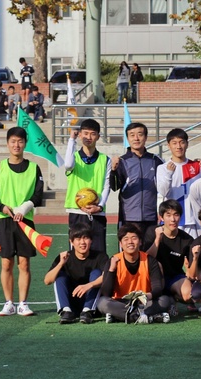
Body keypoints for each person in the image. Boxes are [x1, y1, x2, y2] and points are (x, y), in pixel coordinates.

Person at [0, 127, 44, 317]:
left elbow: (38, 194)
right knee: (6, 264)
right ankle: (9, 303)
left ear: (25, 143)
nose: (16, 145)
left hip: (25, 222)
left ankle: (23, 304)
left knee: (24, 264)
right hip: (5, 221)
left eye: (20, 141)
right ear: (7, 143)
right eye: (13, 141)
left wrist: (25, 208)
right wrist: (3, 208)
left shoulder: (34, 168)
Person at [97, 224, 171, 324]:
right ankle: (146, 317)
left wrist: (146, 296)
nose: (130, 242)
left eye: (134, 238)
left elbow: (158, 288)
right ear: (121, 244)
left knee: (164, 300)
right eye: (126, 239)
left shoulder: (149, 260)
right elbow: (106, 293)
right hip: (121, 302)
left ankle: (123, 316)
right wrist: (111, 270)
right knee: (102, 303)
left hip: (144, 302)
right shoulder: (114, 260)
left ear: (140, 242)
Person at [109, 122, 164, 247]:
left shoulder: (155, 160)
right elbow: (114, 187)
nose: (136, 138)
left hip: (151, 218)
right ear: (127, 139)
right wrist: (113, 171)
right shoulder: (122, 161)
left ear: (145, 137)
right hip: (129, 218)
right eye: (132, 135)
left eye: (140, 134)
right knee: (130, 254)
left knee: (151, 253)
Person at [43, 223, 107, 324]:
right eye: (78, 238)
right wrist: (60, 264)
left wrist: (89, 285)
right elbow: (47, 281)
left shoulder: (100, 256)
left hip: (92, 302)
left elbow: (107, 277)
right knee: (60, 275)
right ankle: (66, 311)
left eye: (86, 238)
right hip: (71, 301)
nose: (82, 242)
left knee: (96, 273)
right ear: (71, 242)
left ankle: (87, 311)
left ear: (91, 240)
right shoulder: (64, 257)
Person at [64, 119, 112, 253]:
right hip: (77, 212)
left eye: (92, 134)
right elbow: (67, 165)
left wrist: (99, 206)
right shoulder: (73, 157)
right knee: (77, 254)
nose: (88, 137)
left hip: (97, 212)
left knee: (99, 253)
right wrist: (71, 140)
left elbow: (106, 186)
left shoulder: (105, 160)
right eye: (85, 133)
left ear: (98, 136)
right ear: (79, 134)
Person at [144, 200, 193, 317]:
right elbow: (146, 259)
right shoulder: (152, 232)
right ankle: (168, 301)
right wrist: (157, 240)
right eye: (168, 215)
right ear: (161, 217)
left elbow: (190, 266)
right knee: (158, 266)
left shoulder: (187, 239)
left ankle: (173, 297)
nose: (173, 219)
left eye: (176, 215)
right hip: (155, 278)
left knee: (189, 295)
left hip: (175, 277)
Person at [156, 128, 201, 236]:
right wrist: (169, 174)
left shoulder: (197, 166)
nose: (178, 146)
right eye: (174, 143)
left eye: (182, 142)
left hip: (194, 219)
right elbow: (163, 192)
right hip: (173, 220)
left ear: (187, 144)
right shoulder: (163, 168)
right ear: (168, 145)